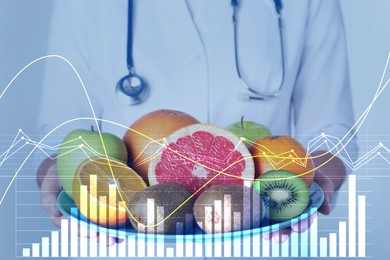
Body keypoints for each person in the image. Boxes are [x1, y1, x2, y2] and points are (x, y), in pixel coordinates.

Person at [36, 0, 357, 250]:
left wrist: (320, 180)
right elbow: (59, 135)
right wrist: (54, 174)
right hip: (125, 242)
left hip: (261, 240)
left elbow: (331, 129)